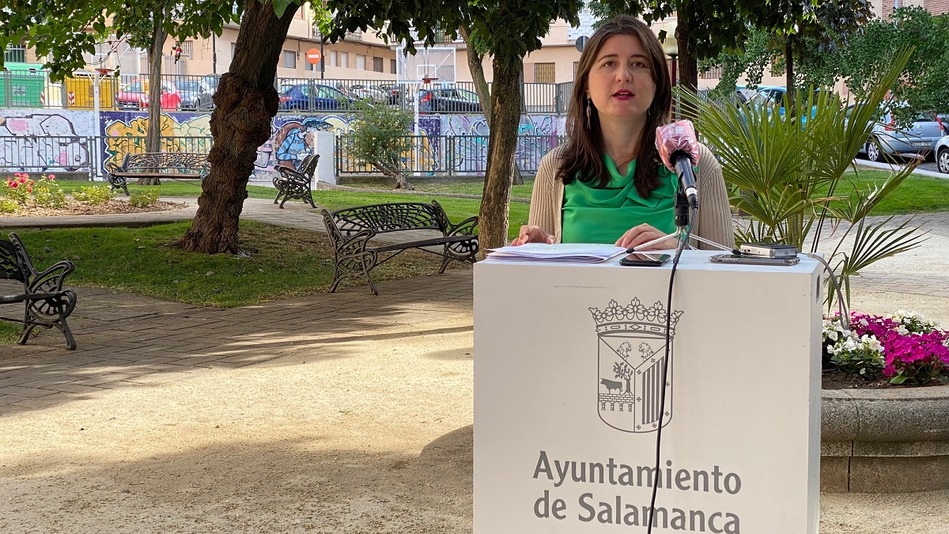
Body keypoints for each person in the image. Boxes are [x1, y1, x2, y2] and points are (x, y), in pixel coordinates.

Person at [512, 15, 734, 251]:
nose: (623, 76)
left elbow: (726, 277)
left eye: (638, 64)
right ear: (586, 84)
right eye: (609, 63)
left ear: (657, 83)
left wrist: (678, 253)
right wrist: (533, 251)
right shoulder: (555, 169)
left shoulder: (694, 165)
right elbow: (542, 279)